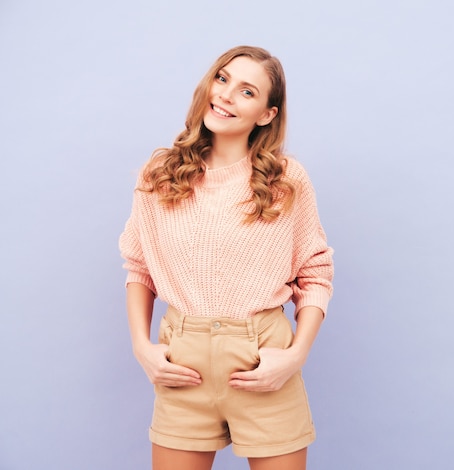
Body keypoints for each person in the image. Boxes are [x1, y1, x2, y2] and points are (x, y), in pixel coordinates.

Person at [119, 45, 334, 470]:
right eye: (222, 79)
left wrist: (296, 355)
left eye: (247, 91)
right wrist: (141, 347)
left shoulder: (287, 180)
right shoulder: (160, 174)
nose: (226, 95)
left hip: (262, 361)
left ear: (267, 114)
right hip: (185, 363)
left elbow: (315, 272)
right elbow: (139, 267)